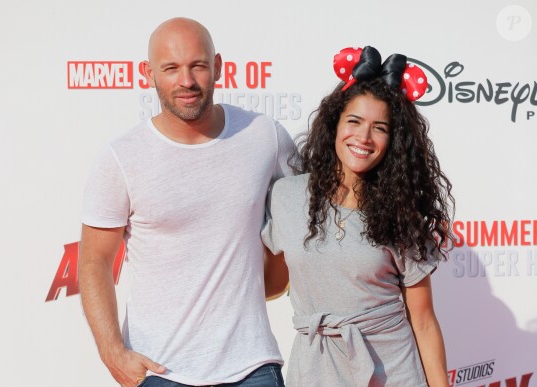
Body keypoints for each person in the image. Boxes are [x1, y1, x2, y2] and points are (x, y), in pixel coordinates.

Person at [78, 17, 293, 387]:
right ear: (148, 74)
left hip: (253, 365)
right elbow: (94, 260)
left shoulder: (265, 136)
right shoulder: (121, 157)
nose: (187, 81)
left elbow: (315, 214)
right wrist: (112, 352)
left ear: (219, 67)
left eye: (197, 65)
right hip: (159, 371)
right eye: (171, 68)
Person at [262, 46, 454, 386]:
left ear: (393, 140)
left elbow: (423, 321)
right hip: (316, 370)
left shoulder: (402, 210)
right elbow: (271, 283)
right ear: (335, 123)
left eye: (380, 128)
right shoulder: (287, 196)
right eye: (354, 121)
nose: (363, 138)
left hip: (392, 371)